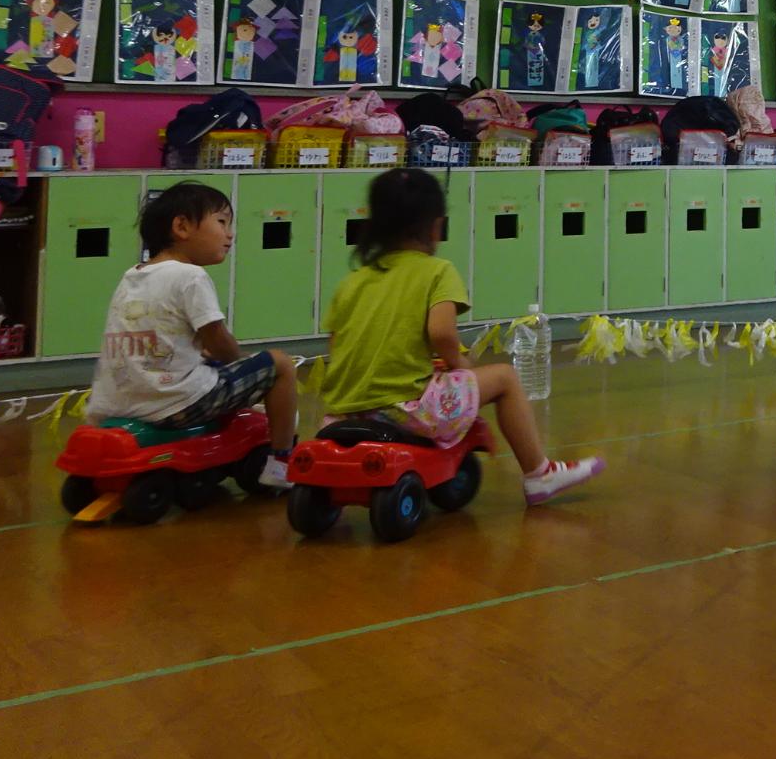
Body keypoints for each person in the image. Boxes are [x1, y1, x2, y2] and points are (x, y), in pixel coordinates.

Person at [319, 168, 603, 506]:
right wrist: (459, 364)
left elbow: (338, 346)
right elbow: (441, 332)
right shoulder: (437, 272)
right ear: (436, 225)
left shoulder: (351, 282)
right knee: (505, 378)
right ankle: (539, 474)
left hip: (343, 412)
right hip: (407, 410)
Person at [86, 182, 296, 487]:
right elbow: (219, 341)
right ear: (182, 227)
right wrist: (240, 360)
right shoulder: (191, 276)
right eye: (222, 222)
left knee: (209, 363)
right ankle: (281, 464)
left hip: (116, 402)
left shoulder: (132, 275)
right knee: (280, 365)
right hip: (177, 403)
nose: (230, 234)